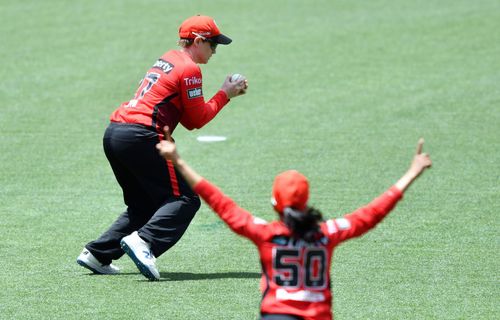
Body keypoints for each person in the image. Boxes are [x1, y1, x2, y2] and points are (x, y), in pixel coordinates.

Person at [156, 127, 432, 320]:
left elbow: (220, 202)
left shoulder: (265, 234)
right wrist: (411, 172)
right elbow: (372, 213)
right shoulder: (327, 233)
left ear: (275, 203)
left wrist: (178, 160)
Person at [76, 15, 248, 281]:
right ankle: (144, 242)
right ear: (198, 41)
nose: (215, 51)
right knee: (185, 199)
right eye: (212, 44)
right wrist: (225, 93)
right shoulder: (190, 69)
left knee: (144, 205)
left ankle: (98, 254)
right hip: (142, 135)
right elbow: (198, 120)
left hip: (115, 133)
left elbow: (189, 120)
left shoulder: (168, 58)